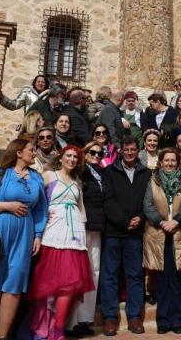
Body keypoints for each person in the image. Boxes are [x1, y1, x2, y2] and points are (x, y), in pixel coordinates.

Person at [0, 138, 48, 340]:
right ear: (18, 152)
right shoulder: (0, 174)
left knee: (15, 283)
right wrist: (6, 206)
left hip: (25, 234)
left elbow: (41, 210)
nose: (34, 153)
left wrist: (38, 234)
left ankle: (3, 337)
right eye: (31, 150)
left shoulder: (36, 178)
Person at [27, 145, 95, 340]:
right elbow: (36, 201)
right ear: (61, 157)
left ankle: (58, 329)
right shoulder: (49, 175)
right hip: (53, 232)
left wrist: (83, 235)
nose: (72, 159)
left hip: (74, 236)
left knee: (69, 285)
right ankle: (41, 328)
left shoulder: (77, 182)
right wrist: (41, 219)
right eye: (69, 155)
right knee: (47, 283)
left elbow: (82, 211)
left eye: (75, 157)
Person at [99, 138, 152, 336]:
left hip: (135, 234)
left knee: (135, 275)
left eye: (133, 150)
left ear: (138, 151)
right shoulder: (109, 172)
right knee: (109, 275)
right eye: (126, 150)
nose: (129, 153)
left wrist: (141, 217)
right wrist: (123, 221)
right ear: (121, 151)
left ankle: (134, 317)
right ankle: (110, 317)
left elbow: (149, 200)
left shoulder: (146, 174)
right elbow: (107, 201)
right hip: (114, 232)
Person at [143, 148, 181, 334]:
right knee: (162, 280)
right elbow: (147, 205)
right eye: (167, 160)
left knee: (177, 280)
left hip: (179, 234)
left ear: (177, 163)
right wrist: (162, 222)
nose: (170, 163)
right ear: (161, 162)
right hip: (159, 234)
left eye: (173, 160)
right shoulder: (153, 181)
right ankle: (163, 321)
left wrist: (176, 221)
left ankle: (178, 320)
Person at [68, 141, 108, 338]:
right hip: (81, 226)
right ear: (85, 153)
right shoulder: (80, 172)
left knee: (94, 271)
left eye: (100, 153)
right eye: (92, 152)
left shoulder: (102, 174)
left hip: (97, 226)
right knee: (78, 272)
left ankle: (84, 319)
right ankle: (71, 321)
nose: (96, 156)